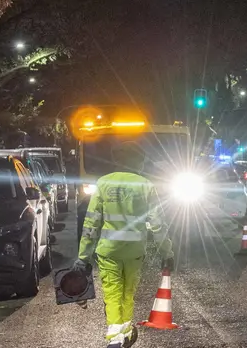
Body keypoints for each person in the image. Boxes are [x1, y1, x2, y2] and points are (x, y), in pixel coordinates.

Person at [73, 142, 174, 348]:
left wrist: (84, 256)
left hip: (109, 251)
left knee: (112, 293)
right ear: (138, 161)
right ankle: (125, 332)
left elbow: (91, 223)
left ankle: (114, 337)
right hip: (135, 252)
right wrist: (167, 252)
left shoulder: (103, 184)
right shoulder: (146, 185)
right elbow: (158, 225)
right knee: (128, 293)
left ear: (115, 160)